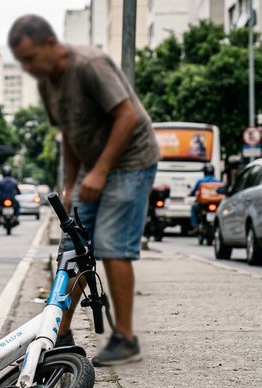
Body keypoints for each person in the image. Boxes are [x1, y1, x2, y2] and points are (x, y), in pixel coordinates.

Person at [9, 15, 160, 366]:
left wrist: (102, 170)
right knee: (71, 247)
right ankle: (60, 332)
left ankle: (125, 337)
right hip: (93, 166)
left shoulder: (89, 65)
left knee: (111, 244)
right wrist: (71, 185)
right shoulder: (48, 85)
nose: (28, 68)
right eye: (22, 62)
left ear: (51, 44)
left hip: (131, 161)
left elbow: (128, 117)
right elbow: (70, 136)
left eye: (30, 58)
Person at [188, 163, 221, 233]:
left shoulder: (200, 181)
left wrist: (190, 194)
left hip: (203, 204)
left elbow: (193, 191)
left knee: (193, 208)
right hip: (216, 204)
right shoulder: (218, 181)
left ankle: (195, 226)